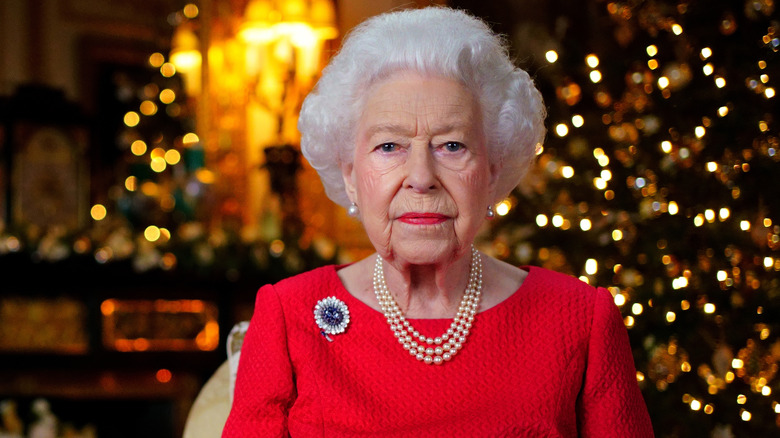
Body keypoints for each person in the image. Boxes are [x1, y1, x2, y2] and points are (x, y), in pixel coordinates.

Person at [222, 6, 653, 437]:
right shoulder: (289, 316)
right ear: (351, 176)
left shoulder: (578, 319)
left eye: (451, 145)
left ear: (492, 171)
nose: (422, 178)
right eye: (389, 145)